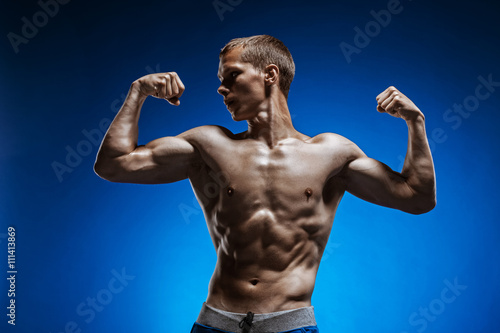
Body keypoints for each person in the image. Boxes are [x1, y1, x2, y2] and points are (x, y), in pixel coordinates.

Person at [94, 35, 436, 333]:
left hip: (290, 326)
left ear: (269, 74)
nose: (221, 88)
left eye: (232, 76)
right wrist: (137, 93)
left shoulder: (331, 153)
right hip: (217, 324)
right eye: (221, 79)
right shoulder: (208, 146)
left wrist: (415, 123)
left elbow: (417, 197)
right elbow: (113, 165)